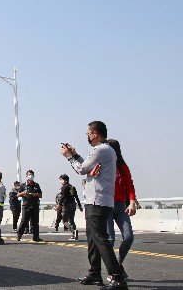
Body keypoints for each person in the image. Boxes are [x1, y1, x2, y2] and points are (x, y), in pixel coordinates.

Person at [61, 120, 128, 290]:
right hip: (97, 200)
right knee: (92, 238)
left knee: (100, 239)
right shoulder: (106, 151)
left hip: (97, 201)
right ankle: (95, 273)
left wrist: (70, 156)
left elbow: (82, 169)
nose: (88, 137)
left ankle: (117, 277)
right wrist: (75, 155)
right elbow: (89, 168)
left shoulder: (100, 150)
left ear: (95, 133)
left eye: (88, 134)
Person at [106, 139, 137, 276]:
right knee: (109, 240)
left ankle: (117, 264)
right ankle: (114, 271)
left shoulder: (123, 167)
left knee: (129, 237)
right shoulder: (103, 166)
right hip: (105, 206)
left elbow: (130, 185)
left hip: (120, 206)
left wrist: (132, 202)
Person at [16, 169, 43, 242]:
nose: (30, 176)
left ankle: (36, 237)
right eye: (29, 175)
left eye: (32, 175)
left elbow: (40, 195)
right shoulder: (23, 185)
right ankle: (19, 235)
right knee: (24, 221)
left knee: (35, 222)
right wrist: (23, 193)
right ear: (26, 176)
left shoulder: (36, 185)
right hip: (26, 205)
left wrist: (36, 194)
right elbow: (18, 195)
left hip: (35, 205)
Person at [57, 174, 83, 240]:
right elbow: (76, 197)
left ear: (64, 180)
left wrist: (59, 205)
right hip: (73, 205)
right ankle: (74, 235)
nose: (60, 181)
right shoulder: (72, 187)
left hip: (66, 205)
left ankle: (73, 231)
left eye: (61, 180)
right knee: (71, 220)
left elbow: (62, 197)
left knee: (64, 220)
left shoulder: (64, 187)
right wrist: (79, 206)